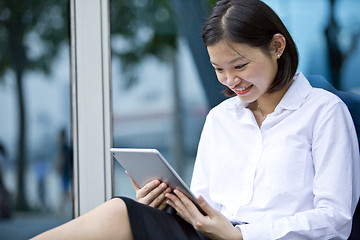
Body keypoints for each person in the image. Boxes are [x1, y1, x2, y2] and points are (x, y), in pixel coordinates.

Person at [31, 0, 360, 239]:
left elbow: (336, 220)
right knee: (124, 210)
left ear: (276, 46)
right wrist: (169, 203)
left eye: (240, 65)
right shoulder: (221, 119)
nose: (230, 80)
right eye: (219, 69)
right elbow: (203, 201)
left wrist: (241, 236)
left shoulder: (324, 112)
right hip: (206, 234)